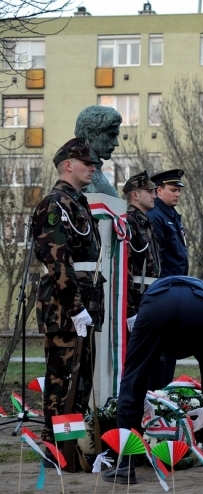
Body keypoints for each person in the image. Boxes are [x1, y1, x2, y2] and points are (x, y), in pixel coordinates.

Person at [103, 276, 203, 484]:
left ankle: (125, 466)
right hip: (201, 308)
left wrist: (138, 389)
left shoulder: (155, 295)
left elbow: (136, 364)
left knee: (133, 380)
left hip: (157, 305)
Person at [32, 138, 104, 453]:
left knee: (80, 385)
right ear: (68, 165)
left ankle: (69, 449)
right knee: (62, 382)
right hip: (65, 310)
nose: (93, 168)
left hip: (84, 307)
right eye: (87, 163)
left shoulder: (77, 203)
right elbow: (57, 262)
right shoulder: (54, 204)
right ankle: (55, 449)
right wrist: (76, 309)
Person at [146, 168, 188, 388]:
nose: (177, 194)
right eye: (173, 190)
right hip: (164, 291)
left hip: (175, 290)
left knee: (170, 348)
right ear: (159, 190)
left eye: (179, 190)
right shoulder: (155, 217)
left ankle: (163, 394)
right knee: (160, 351)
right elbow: (156, 261)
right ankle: (156, 395)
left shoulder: (171, 216)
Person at [122, 171, 161, 332]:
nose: (154, 196)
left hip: (150, 297)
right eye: (149, 191)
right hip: (138, 300)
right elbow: (126, 269)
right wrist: (130, 310)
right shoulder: (128, 222)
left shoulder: (145, 222)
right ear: (135, 195)